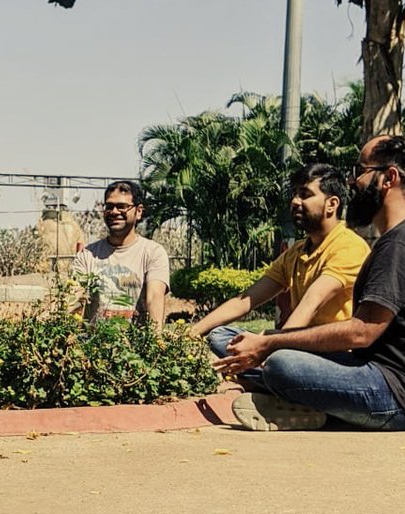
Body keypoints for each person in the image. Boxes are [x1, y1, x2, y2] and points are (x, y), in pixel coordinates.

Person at [216, 136, 405, 431]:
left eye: (359, 171)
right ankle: (301, 400)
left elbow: (361, 333)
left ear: (389, 177)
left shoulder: (404, 242)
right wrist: (264, 344)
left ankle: (304, 402)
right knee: (230, 340)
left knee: (283, 364)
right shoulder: (398, 239)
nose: (352, 181)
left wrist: (270, 342)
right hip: (381, 374)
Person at [192, 163, 370, 382]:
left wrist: (271, 348)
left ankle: (272, 380)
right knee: (219, 335)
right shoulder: (296, 252)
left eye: (305, 195)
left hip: (335, 356)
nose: (295, 201)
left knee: (280, 362)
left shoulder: (349, 246)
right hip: (298, 346)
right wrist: (190, 333)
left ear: (331, 204)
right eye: (294, 194)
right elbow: (245, 300)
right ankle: (270, 380)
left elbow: (311, 303)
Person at [72, 180, 171, 330]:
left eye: (122, 206)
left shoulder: (153, 253)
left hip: (136, 347)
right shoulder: (88, 255)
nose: (114, 212)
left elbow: (154, 297)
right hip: (93, 346)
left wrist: (156, 342)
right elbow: (74, 298)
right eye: (109, 206)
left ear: (138, 211)